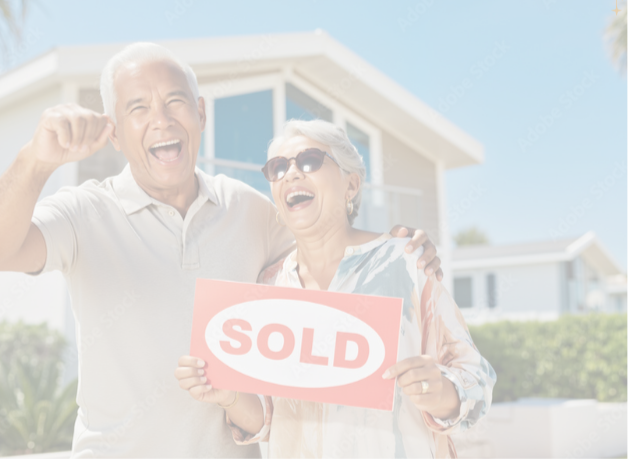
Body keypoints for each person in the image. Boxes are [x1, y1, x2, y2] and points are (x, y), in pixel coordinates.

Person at [0, 42, 443, 458]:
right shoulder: (84, 213)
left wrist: (392, 246)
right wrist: (34, 162)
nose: (161, 120)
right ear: (114, 133)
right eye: (138, 108)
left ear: (200, 114)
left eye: (175, 102)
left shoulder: (250, 210)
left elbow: (327, 253)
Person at [173, 119, 493, 458]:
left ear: (351, 185)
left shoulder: (409, 263)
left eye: (309, 160)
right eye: (278, 168)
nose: (291, 174)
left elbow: (478, 379)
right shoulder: (268, 286)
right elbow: (269, 420)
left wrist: (443, 392)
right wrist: (229, 396)